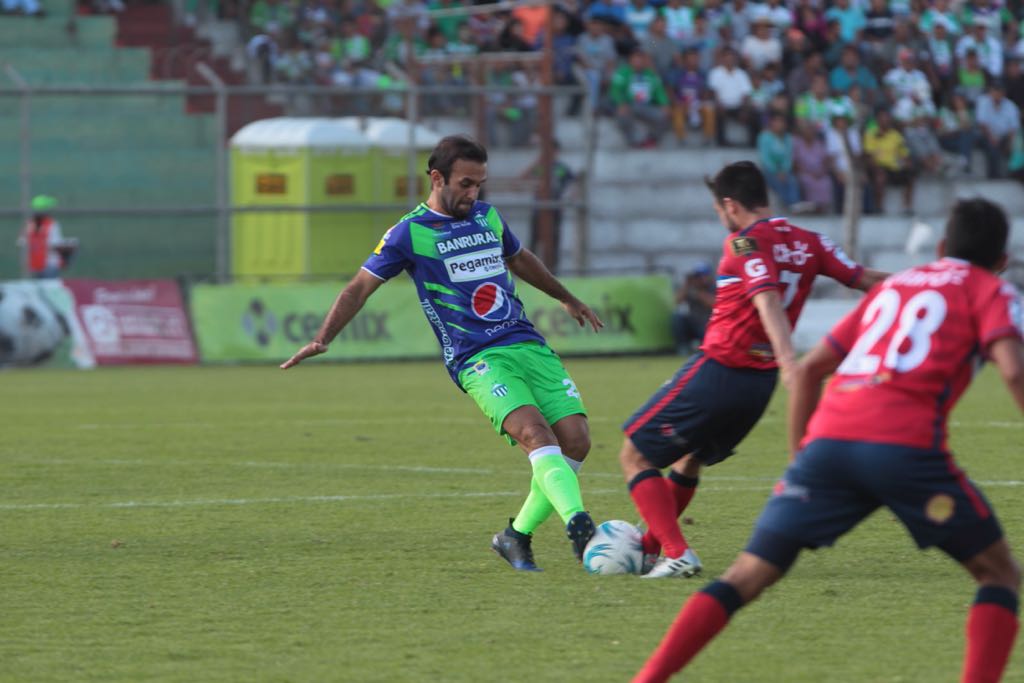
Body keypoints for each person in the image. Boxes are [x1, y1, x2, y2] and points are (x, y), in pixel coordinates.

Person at [633, 197, 1024, 683]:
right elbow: (1013, 369)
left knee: (745, 577)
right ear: (1002, 261)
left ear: (942, 245)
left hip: (829, 446)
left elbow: (813, 368)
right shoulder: (993, 289)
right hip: (905, 449)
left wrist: (802, 456)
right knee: (1000, 574)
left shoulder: (896, 285)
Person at [280, 136, 602, 571]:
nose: (474, 194)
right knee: (536, 436)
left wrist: (567, 297)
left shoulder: (488, 217)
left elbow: (520, 259)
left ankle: (514, 537)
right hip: (476, 357)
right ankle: (579, 525)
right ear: (437, 178)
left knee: (577, 441)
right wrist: (324, 337)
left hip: (527, 343)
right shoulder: (408, 233)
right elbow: (359, 286)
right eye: (466, 184)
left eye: (480, 185)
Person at [618, 161, 886, 579]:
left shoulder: (743, 244)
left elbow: (767, 300)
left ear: (730, 204)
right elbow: (864, 278)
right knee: (690, 459)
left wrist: (790, 364)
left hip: (721, 369)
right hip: (756, 390)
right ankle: (650, 548)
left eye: (717, 210)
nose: (720, 218)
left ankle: (676, 551)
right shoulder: (810, 241)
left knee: (634, 455)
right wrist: (929, 281)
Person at [17, 195, 77, 279]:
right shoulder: (51, 224)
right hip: (50, 264)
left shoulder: (29, 224)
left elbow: (22, 242)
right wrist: (68, 251)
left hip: (34, 265)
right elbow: (56, 245)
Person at [670, 261, 716, 353]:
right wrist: (686, 285)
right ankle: (683, 346)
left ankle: (704, 345)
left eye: (703, 275)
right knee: (677, 317)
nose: (700, 279)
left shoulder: (714, 287)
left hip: (709, 324)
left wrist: (699, 293)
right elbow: (677, 301)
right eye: (698, 276)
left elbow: (714, 304)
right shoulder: (690, 287)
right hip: (694, 323)